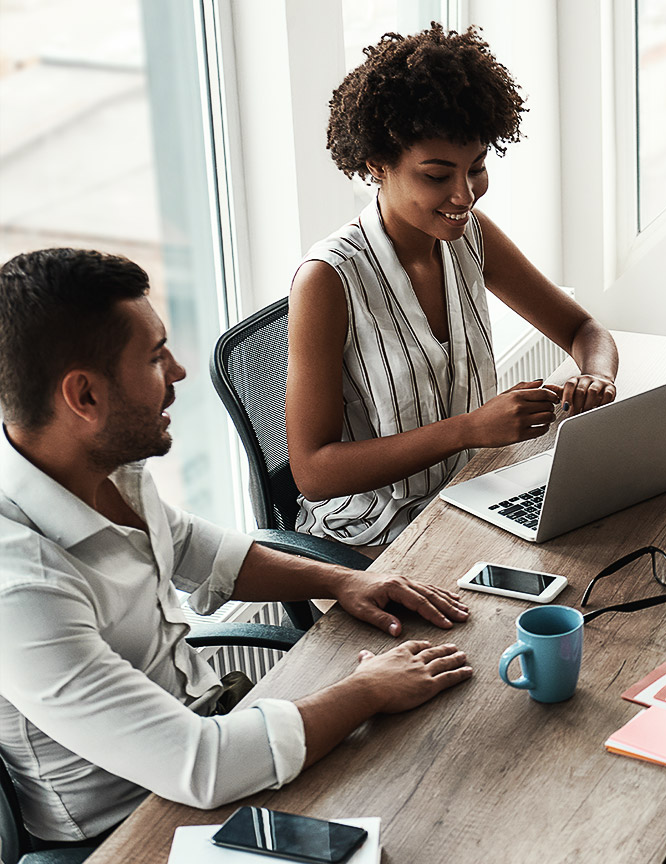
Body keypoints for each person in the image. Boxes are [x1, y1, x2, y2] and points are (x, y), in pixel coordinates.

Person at [0, 248, 474, 846]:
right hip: (132, 825)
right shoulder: (20, 590)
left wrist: (342, 581)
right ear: (84, 398)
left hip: (211, 727)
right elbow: (201, 766)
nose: (177, 371)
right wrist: (368, 690)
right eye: (153, 358)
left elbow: (204, 550)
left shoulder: (104, 469)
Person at [287, 23, 619, 549]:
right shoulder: (329, 279)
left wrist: (597, 377)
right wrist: (468, 429)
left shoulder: (470, 237)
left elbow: (583, 329)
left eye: (477, 168)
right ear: (377, 164)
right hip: (377, 530)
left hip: (476, 491)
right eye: (437, 175)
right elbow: (314, 473)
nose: (465, 195)